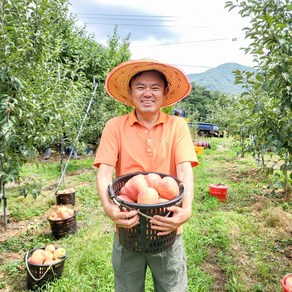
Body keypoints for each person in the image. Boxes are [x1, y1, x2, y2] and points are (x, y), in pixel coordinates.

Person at [94, 58, 198, 292]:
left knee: (172, 288)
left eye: (155, 88)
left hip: (166, 226)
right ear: (131, 93)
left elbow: (184, 170)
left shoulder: (177, 126)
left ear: (165, 93)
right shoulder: (115, 126)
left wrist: (187, 209)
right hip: (128, 228)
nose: (147, 93)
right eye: (140, 87)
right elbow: (105, 172)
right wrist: (108, 207)